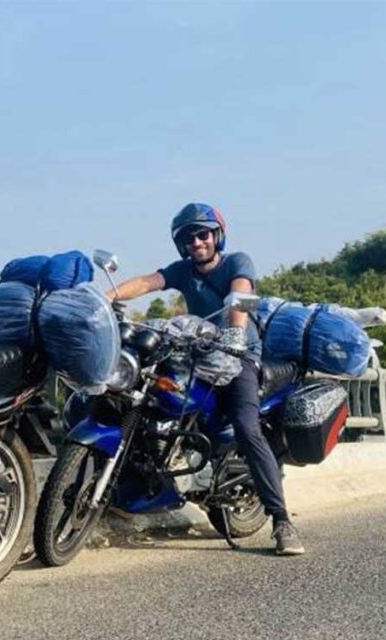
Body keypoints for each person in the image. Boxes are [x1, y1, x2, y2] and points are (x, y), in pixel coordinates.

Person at [107, 202, 305, 556]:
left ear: (217, 236)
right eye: (189, 238)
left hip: (240, 358)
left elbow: (242, 294)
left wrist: (235, 335)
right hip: (200, 356)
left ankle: (281, 522)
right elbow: (147, 282)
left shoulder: (236, 262)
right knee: (150, 397)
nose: (197, 242)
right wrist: (105, 297)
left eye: (203, 234)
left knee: (247, 427)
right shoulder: (183, 271)